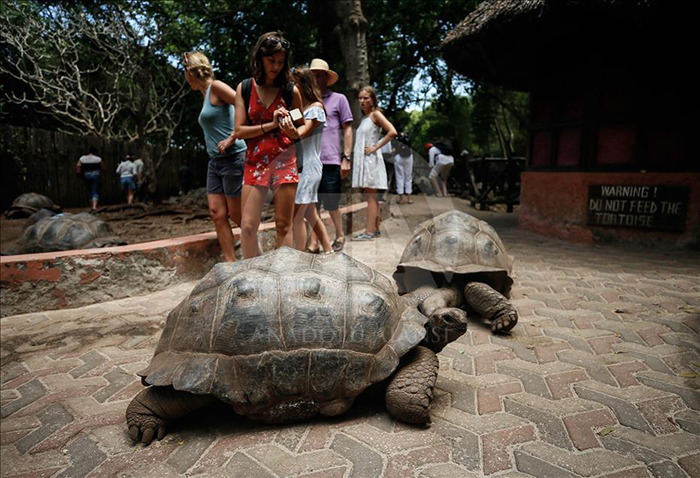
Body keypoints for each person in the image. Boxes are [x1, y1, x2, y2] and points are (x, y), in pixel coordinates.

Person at [234, 31, 302, 259]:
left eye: (281, 62)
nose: (275, 66)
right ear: (260, 58)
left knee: (283, 225)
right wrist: (271, 125)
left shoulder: (291, 92)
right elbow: (239, 131)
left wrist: (292, 131)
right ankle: (251, 279)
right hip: (255, 163)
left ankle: (284, 277)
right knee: (248, 226)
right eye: (271, 61)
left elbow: (300, 129)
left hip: (285, 161)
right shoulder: (244, 88)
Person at [183, 51, 247, 262]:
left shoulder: (217, 87)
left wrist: (232, 137)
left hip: (234, 157)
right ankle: (231, 264)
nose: (184, 77)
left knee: (237, 215)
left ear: (191, 71)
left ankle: (255, 257)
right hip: (215, 162)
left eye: (184, 71)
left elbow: (244, 105)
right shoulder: (204, 96)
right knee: (217, 213)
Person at [306, 59, 353, 253]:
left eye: (320, 75)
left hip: (332, 159)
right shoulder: (305, 101)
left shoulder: (339, 99)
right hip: (310, 160)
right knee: (312, 203)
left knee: (332, 201)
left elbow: (348, 129)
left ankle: (340, 235)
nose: (316, 78)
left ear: (327, 77)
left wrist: (347, 157)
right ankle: (314, 242)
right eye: (313, 75)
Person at [288, 66, 334, 254]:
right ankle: (329, 250)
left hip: (308, 166)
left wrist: (288, 130)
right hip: (303, 166)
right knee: (310, 213)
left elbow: (302, 132)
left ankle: (299, 256)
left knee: (297, 216)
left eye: (294, 83)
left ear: (303, 84)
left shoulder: (315, 108)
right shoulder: (302, 108)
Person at [351, 86, 397, 241]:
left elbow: (392, 131)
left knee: (370, 197)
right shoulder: (365, 118)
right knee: (372, 197)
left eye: (366, 98)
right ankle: (375, 229)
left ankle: (369, 231)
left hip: (370, 160)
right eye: (360, 98)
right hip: (365, 160)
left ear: (373, 99)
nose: (362, 101)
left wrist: (376, 147)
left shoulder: (376, 114)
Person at [394, 132, 414, 204]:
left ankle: (401, 199)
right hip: (409, 157)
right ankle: (409, 199)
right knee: (408, 177)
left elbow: (394, 150)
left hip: (399, 157)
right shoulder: (407, 139)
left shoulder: (397, 139)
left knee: (399, 177)